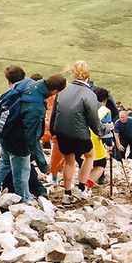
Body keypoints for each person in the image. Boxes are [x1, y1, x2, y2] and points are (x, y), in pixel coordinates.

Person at [0, 66, 66, 203]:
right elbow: (31, 137)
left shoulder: (26, 83)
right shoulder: (36, 106)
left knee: (3, 165)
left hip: (6, 134)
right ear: (54, 91)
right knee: (21, 175)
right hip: (19, 142)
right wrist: (42, 164)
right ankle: (24, 202)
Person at [50, 61, 101, 204]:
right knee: (90, 155)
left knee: (69, 161)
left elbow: (54, 114)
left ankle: (67, 193)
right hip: (80, 133)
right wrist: (101, 131)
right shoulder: (89, 94)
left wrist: (54, 131)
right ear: (88, 75)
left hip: (62, 132)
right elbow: (93, 119)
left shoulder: (62, 92)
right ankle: (81, 187)